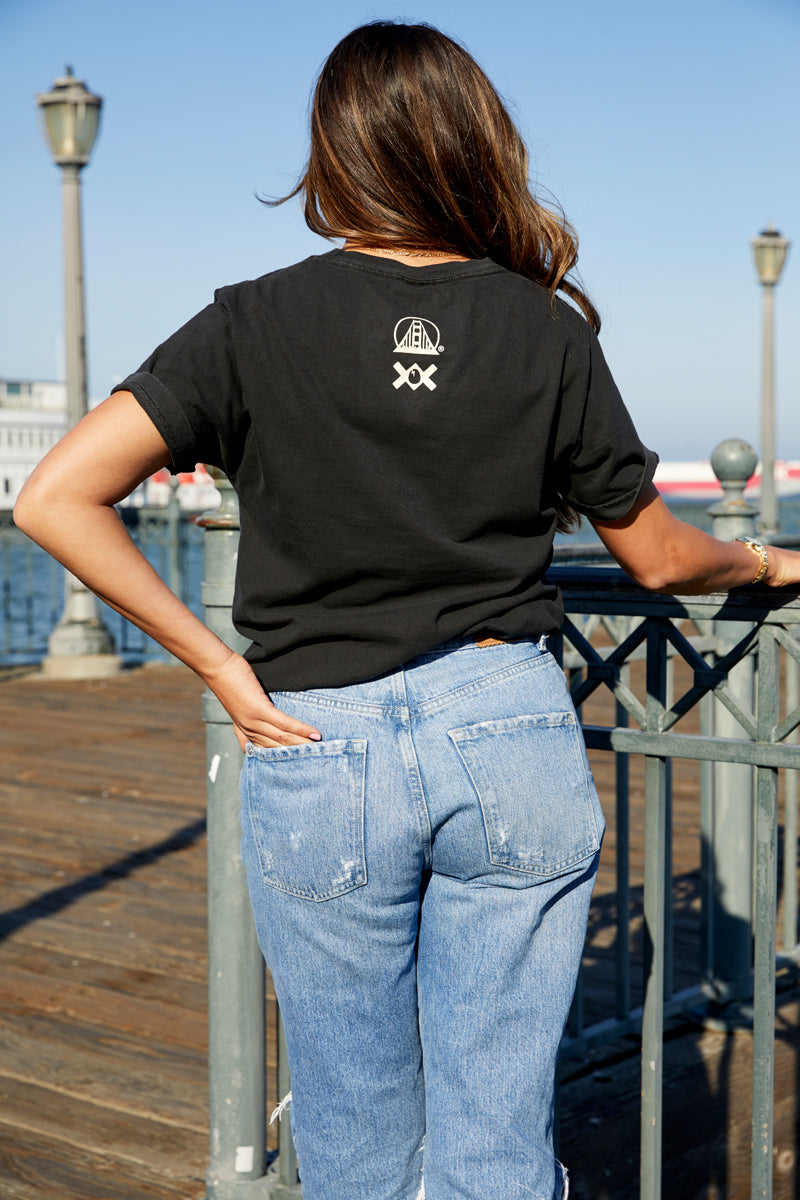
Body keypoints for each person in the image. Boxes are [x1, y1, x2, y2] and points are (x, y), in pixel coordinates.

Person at [14, 21, 800, 1200]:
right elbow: (657, 557)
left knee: (355, 1136)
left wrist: (217, 668)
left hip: (316, 737)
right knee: (498, 1141)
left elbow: (55, 498)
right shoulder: (542, 326)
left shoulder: (249, 321)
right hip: (505, 723)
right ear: (472, 144)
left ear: (334, 151)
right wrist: (762, 563)